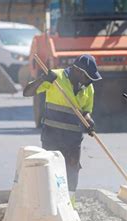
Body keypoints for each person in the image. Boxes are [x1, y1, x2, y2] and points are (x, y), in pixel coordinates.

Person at [23, 54, 102, 205]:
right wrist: (43, 79)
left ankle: (69, 205)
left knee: (73, 168)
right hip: (52, 135)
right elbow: (27, 92)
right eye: (88, 77)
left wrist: (88, 121)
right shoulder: (56, 77)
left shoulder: (88, 87)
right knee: (51, 169)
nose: (90, 81)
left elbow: (85, 111)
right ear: (78, 71)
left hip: (74, 137)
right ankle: (50, 204)